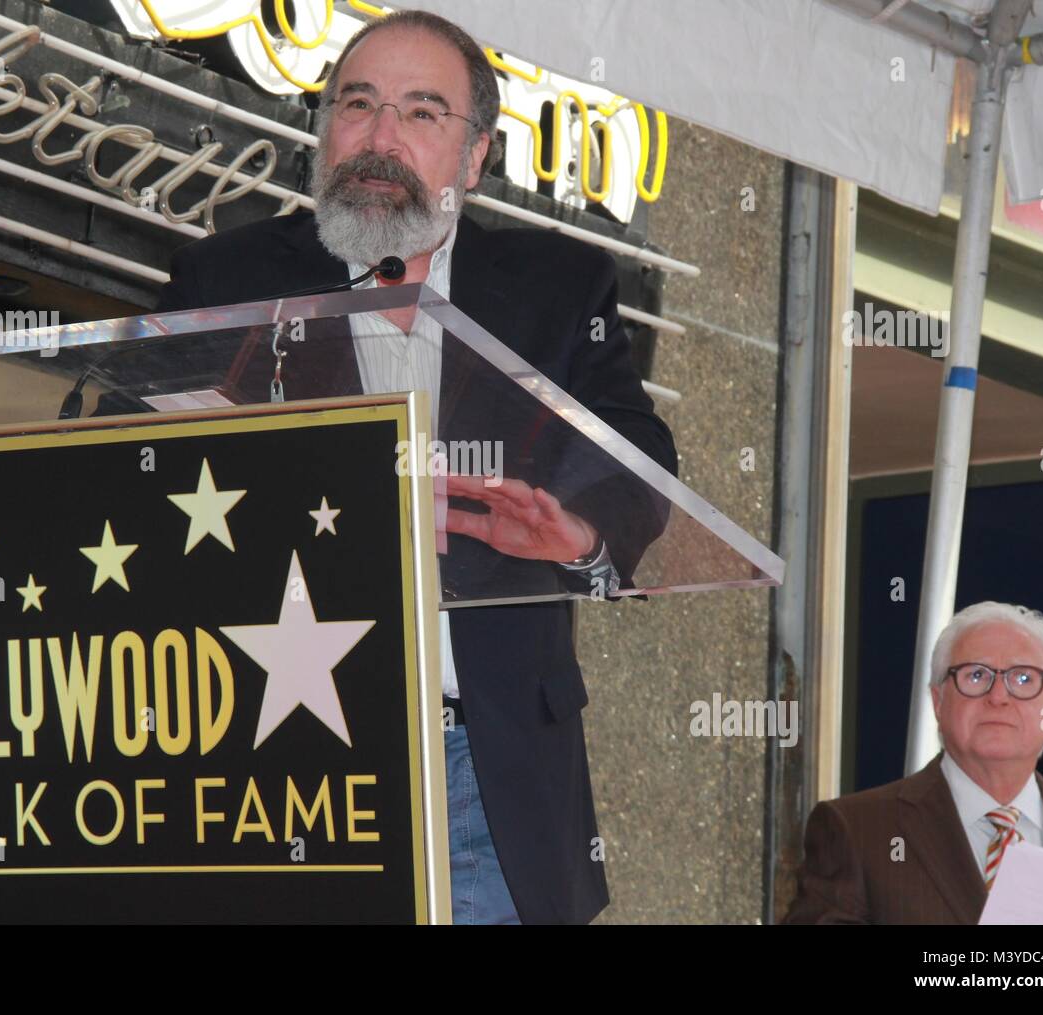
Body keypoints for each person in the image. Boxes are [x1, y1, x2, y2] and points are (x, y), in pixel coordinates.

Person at [152, 10, 677, 923]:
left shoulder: (557, 286)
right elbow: (136, 474)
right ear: (324, 133)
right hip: (267, 759)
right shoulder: (225, 282)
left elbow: (636, 458)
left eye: (423, 113)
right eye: (359, 104)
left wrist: (578, 530)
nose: (382, 138)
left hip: (488, 774)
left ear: (474, 158)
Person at [785, 601, 1043, 924]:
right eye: (977, 675)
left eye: (1023, 679)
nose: (998, 697)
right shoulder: (857, 830)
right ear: (938, 702)